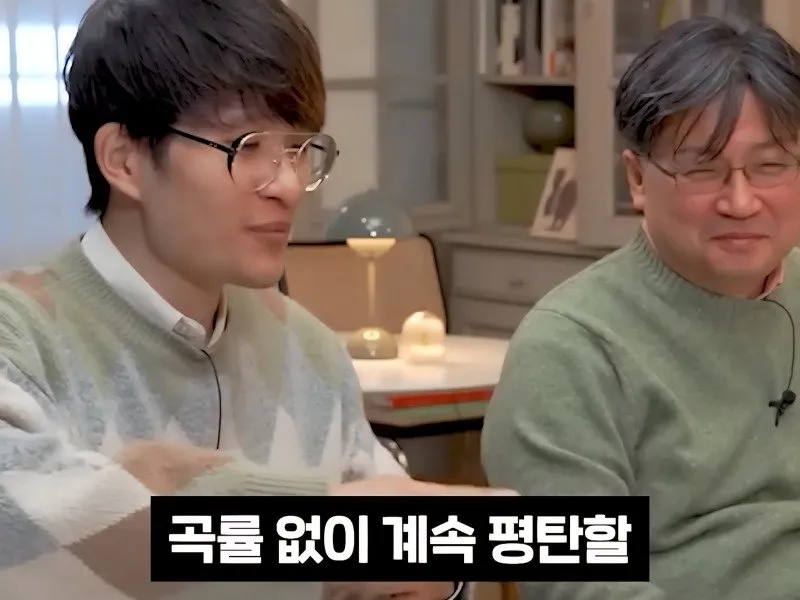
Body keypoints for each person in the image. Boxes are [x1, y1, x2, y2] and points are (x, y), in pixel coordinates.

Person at [0, 1, 514, 599]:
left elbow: (402, 548)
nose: (289, 185)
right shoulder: (19, 338)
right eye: (245, 147)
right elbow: (33, 533)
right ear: (124, 159)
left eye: (297, 150)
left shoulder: (308, 348)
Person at [482, 14, 800, 600]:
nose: (740, 201)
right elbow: (579, 586)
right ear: (636, 179)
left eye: (770, 166)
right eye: (702, 168)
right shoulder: (571, 347)